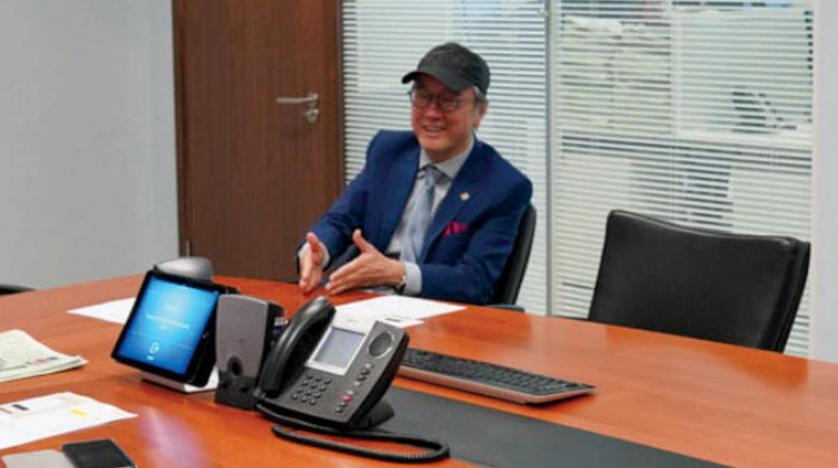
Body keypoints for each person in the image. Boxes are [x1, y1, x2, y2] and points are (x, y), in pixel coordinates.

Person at [298, 42, 532, 304]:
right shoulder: (388, 152)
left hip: (441, 316)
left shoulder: (503, 186)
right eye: (422, 96)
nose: (432, 113)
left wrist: (398, 274)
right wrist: (318, 251)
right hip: (362, 304)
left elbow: (475, 282)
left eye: (448, 101)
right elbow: (340, 220)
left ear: (479, 112)